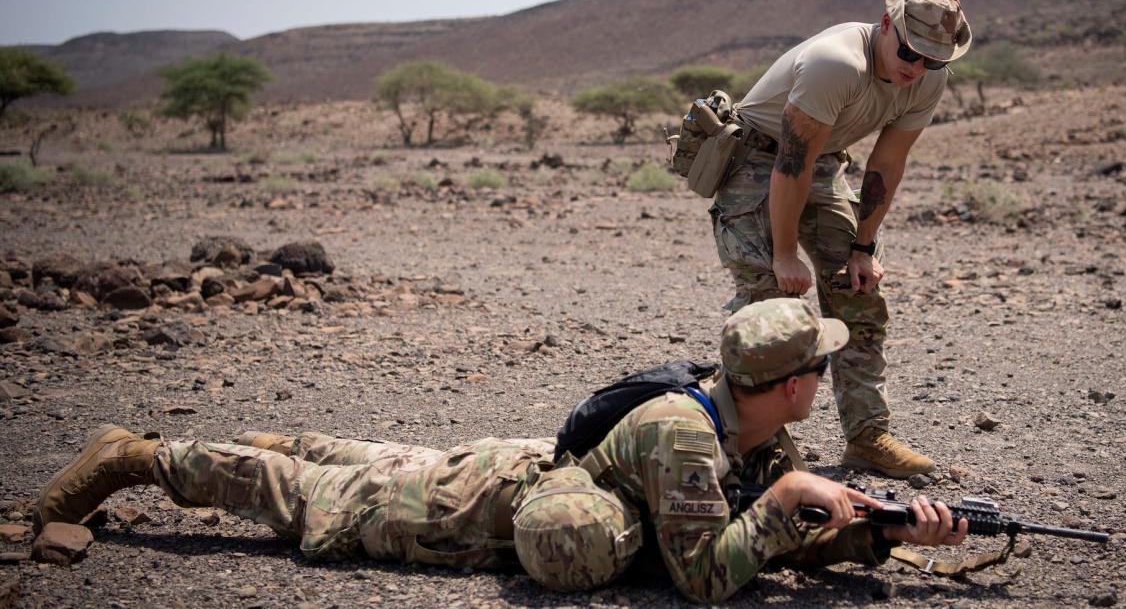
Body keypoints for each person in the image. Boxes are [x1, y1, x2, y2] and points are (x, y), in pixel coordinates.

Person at [34, 298, 966, 603]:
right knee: (306, 496)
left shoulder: (754, 421)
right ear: (794, 382)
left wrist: (877, 532)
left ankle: (280, 434)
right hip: (474, 510)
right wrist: (797, 491)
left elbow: (776, 529)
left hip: (512, 469)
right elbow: (707, 575)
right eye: (819, 368)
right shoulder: (690, 432)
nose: (821, 382)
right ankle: (134, 455)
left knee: (366, 456)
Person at [708, 0, 972, 479]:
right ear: (886, 26)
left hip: (823, 164)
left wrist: (863, 247)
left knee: (859, 292)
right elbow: (791, 162)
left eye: (933, 60)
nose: (916, 67)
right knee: (768, 303)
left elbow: (887, 164)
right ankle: (743, 440)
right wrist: (785, 255)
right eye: (910, 52)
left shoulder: (926, 81)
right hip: (757, 160)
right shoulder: (837, 63)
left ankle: (867, 437)